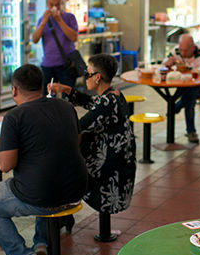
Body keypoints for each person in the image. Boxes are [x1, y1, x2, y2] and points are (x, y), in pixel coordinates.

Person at [0, 64, 86, 255]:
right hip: (76, 190)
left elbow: (5, 165)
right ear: (42, 85)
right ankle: (41, 244)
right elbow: (75, 142)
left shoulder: (14, 117)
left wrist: (4, 146)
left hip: (44, 196)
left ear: (14, 90)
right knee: (41, 176)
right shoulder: (66, 108)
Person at [49, 54, 136, 240]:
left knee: (63, 168)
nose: (84, 77)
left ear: (97, 77)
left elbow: (79, 126)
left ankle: (62, 216)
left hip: (110, 165)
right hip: (121, 159)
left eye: (87, 73)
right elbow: (91, 104)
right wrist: (66, 90)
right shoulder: (115, 94)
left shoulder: (106, 102)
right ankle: (65, 216)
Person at [30, 0, 79, 95]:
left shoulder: (69, 17)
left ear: (62, 4)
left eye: (58, 4)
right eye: (51, 4)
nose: (55, 7)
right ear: (47, 4)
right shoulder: (43, 20)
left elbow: (74, 37)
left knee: (69, 98)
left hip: (66, 65)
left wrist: (59, 20)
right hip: (48, 66)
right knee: (47, 98)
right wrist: (43, 22)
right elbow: (34, 39)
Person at [162, 34, 200, 143]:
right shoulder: (176, 51)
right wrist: (168, 64)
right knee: (190, 99)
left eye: (186, 51)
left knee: (190, 96)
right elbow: (163, 65)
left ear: (193, 47)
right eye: (181, 49)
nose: (182, 53)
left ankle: (175, 107)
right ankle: (191, 131)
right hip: (183, 85)